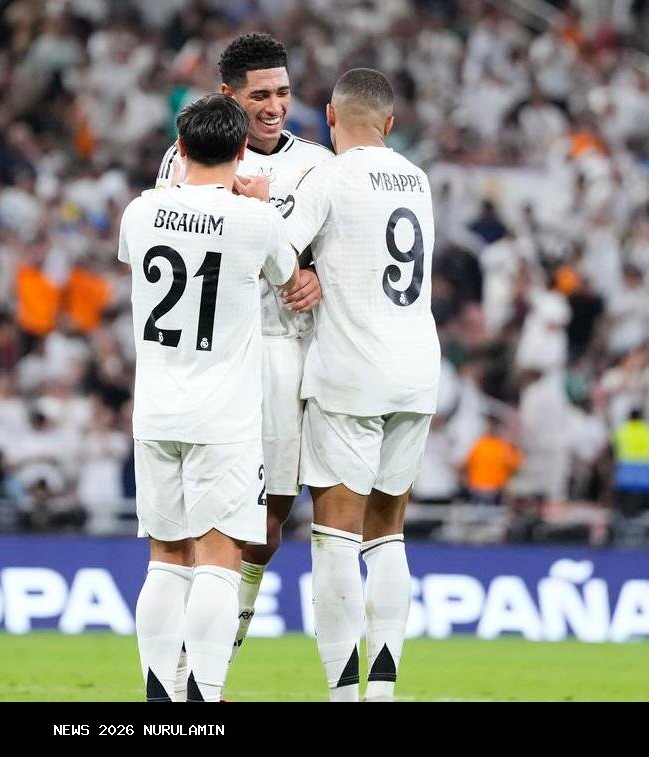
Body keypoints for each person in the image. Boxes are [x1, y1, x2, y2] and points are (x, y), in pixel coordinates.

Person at [241, 68, 440, 702]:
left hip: (352, 372)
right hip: (418, 371)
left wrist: (258, 210)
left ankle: (342, 692)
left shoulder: (328, 176)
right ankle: (381, 693)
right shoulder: (417, 179)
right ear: (389, 123)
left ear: (330, 117)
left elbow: (277, 252)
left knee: (335, 539)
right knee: (388, 534)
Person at [122, 93, 310, 702]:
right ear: (241, 150)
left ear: (179, 148)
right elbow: (289, 278)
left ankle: (160, 701)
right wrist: (260, 202)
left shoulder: (139, 212)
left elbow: (144, 253)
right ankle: (202, 699)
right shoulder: (255, 220)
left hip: (155, 411)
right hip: (224, 417)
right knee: (218, 560)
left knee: (165, 558)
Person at [156, 32, 331, 678]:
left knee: (266, 526)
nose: (275, 106)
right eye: (260, 96)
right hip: (212, 355)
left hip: (281, 352)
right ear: (228, 95)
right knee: (194, 529)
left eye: (283, 92)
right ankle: (182, 679)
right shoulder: (185, 159)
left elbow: (340, 251)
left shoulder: (317, 164)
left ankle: (208, 672)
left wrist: (321, 276)